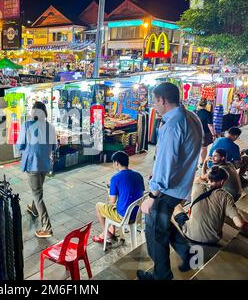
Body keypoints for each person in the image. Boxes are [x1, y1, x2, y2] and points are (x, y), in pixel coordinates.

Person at [137, 82, 203, 280]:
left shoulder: (172, 126)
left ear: (162, 100)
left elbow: (165, 165)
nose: (153, 106)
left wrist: (152, 194)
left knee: (155, 232)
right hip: (181, 184)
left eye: (154, 101)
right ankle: (189, 254)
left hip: (168, 189)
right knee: (162, 223)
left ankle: (161, 276)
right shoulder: (191, 116)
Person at [173, 167, 248, 245]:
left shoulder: (196, 185)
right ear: (222, 181)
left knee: (175, 204)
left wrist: (209, 174)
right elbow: (239, 223)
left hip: (191, 236)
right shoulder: (226, 197)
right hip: (213, 240)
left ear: (209, 177)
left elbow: (199, 178)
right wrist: (238, 213)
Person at [16, 101, 57, 238]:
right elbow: (54, 147)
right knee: (38, 189)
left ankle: (47, 227)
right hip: (45, 164)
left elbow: (20, 145)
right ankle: (34, 210)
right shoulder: (50, 127)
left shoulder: (27, 125)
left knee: (37, 195)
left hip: (33, 164)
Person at [92, 151, 144, 244]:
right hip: (137, 215)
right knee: (117, 205)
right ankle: (112, 229)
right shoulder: (138, 176)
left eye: (113, 163)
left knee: (99, 206)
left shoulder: (115, 178)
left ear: (116, 163)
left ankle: (106, 233)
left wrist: (109, 191)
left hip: (124, 216)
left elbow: (112, 201)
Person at [196, 99, 216, 167]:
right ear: (206, 105)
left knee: (196, 148)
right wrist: (214, 134)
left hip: (196, 132)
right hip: (206, 133)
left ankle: (195, 164)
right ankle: (201, 163)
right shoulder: (208, 113)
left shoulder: (195, 112)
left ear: (199, 104)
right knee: (204, 148)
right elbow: (210, 125)